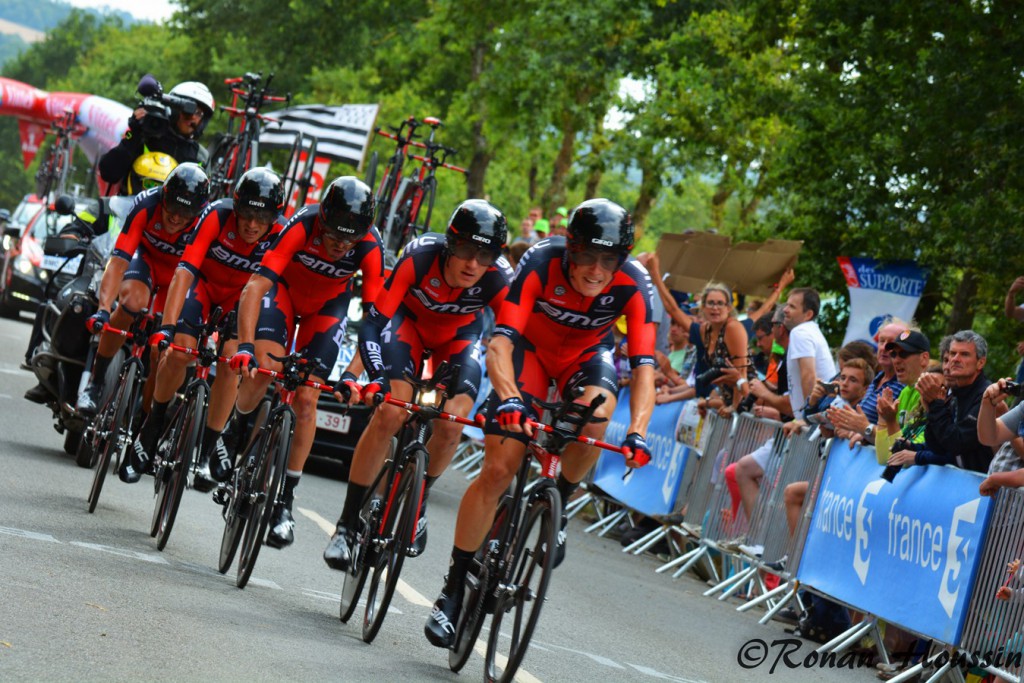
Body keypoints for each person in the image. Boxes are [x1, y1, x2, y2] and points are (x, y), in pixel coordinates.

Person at [423, 198, 656, 648]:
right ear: (570, 248)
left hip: (585, 359)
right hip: (527, 355)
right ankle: (452, 589)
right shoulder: (541, 261)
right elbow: (500, 344)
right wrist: (510, 400)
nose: (595, 269)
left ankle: (560, 503)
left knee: (597, 418)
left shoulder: (634, 283)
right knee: (497, 469)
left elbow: (644, 369)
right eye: (587, 255)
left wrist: (639, 431)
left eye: (609, 259)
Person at [322, 200, 514, 570]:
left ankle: (419, 498)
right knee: (391, 411)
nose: (474, 264)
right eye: (465, 251)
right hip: (406, 328)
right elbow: (375, 323)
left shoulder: (498, 278)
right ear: (449, 245)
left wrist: (508, 398)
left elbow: (516, 342)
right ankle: (346, 525)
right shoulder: (420, 257)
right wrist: (372, 375)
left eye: (485, 255)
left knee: (453, 421)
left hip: (458, 339)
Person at [227, 176, 384, 549]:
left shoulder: (370, 245)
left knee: (308, 398)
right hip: (283, 296)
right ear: (323, 221)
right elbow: (255, 287)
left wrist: (354, 375)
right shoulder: (301, 224)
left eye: (348, 241)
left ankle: (285, 500)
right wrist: (246, 345)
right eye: (332, 236)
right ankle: (235, 433)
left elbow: (376, 322)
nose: (338, 246)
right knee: (263, 371)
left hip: (326, 309)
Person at [127, 168, 286, 488]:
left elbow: (272, 290)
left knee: (232, 360)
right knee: (181, 350)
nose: (252, 225)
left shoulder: (281, 232)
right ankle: (153, 425)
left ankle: (209, 449)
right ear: (236, 207)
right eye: (246, 215)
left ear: (274, 218)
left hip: (240, 299)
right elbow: (184, 272)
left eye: (262, 218)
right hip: (202, 288)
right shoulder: (216, 215)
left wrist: (249, 343)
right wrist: (167, 328)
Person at [77, 163, 212, 428]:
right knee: (131, 303)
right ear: (162, 197)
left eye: (185, 212)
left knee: (160, 350)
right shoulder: (145, 205)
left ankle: (146, 416)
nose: (175, 217)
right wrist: (104, 309)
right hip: (146, 261)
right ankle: (95, 382)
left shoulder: (206, 222)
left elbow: (204, 277)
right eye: (171, 208)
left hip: (178, 277)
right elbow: (118, 261)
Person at [647, 254, 751, 410]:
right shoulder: (704, 331)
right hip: (721, 402)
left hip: (745, 400)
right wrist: (655, 274)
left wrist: (733, 407)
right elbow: (672, 309)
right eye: (710, 303)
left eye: (720, 304)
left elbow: (741, 373)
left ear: (728, 308)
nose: (715, 308)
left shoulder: (733, 328)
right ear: (703, 307)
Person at [895, 330, 992, 473]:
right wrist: (930, 408)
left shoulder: (987, 395)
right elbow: (938, 447)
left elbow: (957, 444)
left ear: (980, 362)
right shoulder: (956, 393)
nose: (955, 359)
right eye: (952, 354)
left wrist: (935, 404)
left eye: (964, 354)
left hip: (983, 488)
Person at [98, 77, 214, 194]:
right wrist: (134, 134)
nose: (193, 117)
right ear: (174, 108)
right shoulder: (145, 136)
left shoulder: (200, 157)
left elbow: (202, 201)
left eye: (199, 113)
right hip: (130, 209)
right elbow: (108, 174)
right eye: (189, 109)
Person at [827, 318, 907, 446]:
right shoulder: (878, 378)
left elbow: (896, 436)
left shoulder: (904, 386)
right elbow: (862, 426)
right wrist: (842, 428)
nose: (884, 347)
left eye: (891, 343)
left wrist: (864, 432)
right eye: (881, 341)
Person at [873, 330, 931, 468]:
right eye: (893, 354)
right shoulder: (905, 392)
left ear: (924, 358)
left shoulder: (931, 392)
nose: (896, 360)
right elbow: (883, 458)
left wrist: (891, 421)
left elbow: (904, 459)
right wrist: (883, 420)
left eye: (904, 354)